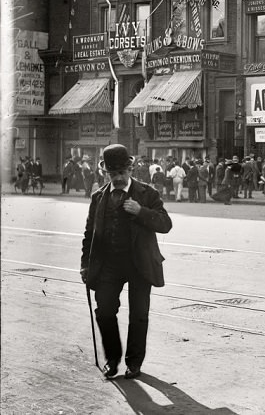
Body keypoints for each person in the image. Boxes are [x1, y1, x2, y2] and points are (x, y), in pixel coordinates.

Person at [79, 143, 172, 380]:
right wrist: (85, 265)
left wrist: (141, 211)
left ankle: (134, 363)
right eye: (113, 174)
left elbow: (165, 224)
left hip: (139, 264)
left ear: (130, 169)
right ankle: (112, 359)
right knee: (105, 312)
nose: (118, 178)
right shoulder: (99, 197)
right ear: (106, 173)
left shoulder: (147, 194)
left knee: (139, 315)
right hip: (109, 264)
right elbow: (89, 234)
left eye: (122, 172)